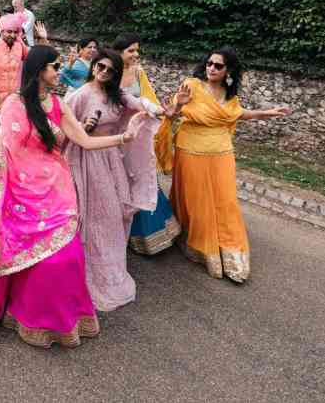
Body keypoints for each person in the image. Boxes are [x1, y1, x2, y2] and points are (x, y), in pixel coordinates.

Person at [0, 46, 147, 348]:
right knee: (17, 249)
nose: (60, 71)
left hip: (56, 188)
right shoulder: (15, 104)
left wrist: (124, 138)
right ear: (40, 69)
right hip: (20, 189)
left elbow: (83, 140)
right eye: (55, 66)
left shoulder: (57, 104)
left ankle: (53, 319)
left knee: (66, 256)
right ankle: (18, 310)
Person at [157, 47, 291, 283]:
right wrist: (178, 105)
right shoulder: (192, 85)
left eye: (218, 66)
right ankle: (198, 245)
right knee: (196, 199)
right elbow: (170, 115)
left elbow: (238, 114)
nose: (211, 68)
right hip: (191, 150)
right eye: (209, 63)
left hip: (222, 152)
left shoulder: (230, 96)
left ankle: (230, 252)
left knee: (225, 201)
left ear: (228, 70)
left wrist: (268, 112)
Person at [64, 49, 175, 311]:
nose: (103, 72)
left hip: (112, 162)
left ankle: (111, 270)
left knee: (117, 216)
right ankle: (86, 273)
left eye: (110, 69)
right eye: (100, 67)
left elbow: (143, 105)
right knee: (94, 218)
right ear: (93, 67)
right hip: (86, 160)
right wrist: (85, 127)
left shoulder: (118, 96)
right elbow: (65, 131)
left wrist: (169, 109)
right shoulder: (79, 96)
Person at [112, 32, 182, 255]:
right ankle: (120, 231)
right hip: (115, 135)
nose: (135, 54)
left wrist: (165, 111)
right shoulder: (107, 72)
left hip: (137, 135)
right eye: (130, 50)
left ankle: (151, 234)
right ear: (118, 52)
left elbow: (147, 100)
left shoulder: (138, 72)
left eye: (137, 50)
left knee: (141, 175)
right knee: (119, 179)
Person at [0, 13, 47, 103]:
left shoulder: (20, 46)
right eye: (9, 32)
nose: (12, 35)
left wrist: (43, 39)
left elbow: (36, 60)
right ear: (1, 31)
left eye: (15, 32)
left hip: (14, 100)